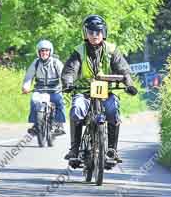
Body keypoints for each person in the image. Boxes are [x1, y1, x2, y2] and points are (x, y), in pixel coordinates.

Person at [61, 14, 138, 165]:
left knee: (113, 111)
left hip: (106, 91)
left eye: (98, 32)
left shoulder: (112, 50)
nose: (94, 35)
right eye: (91, 32)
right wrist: (67, 83)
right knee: (76, 109)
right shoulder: (79, 51)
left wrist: (129, 84)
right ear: (85, 33)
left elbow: (124, 70)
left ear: (104, 33)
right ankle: (75, 149)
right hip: (84, 91)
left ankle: (111, 149)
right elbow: (70, 70)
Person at [22, 40, 66, 136]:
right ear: (38, 52)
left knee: (59, 102)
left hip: (54, 90)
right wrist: (26, 87)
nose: (44, 53)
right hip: (39, 90)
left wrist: (66, 85)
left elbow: (64, 75)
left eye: (46, 51)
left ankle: (59, 125)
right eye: (42, 51)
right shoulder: (36, 63)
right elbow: (29, 76)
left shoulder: (56, 62)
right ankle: (36, 125)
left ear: (50, 51)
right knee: (34, 101)